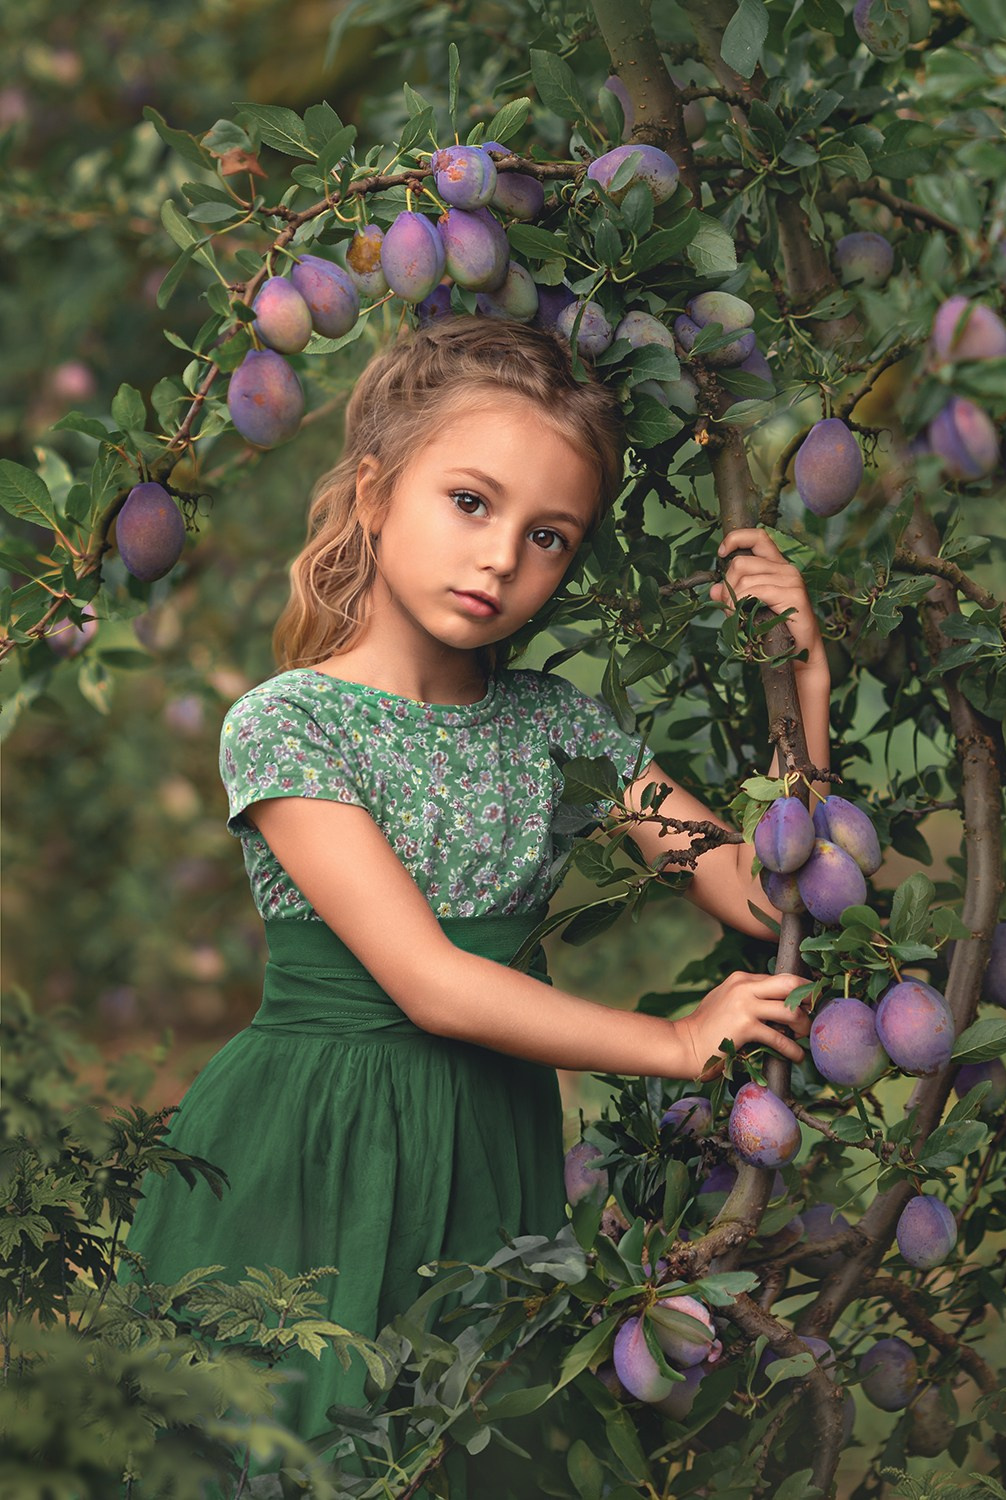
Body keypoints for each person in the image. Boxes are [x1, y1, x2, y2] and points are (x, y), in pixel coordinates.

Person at [120, 314, 831, 1477]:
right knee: (296, 1447)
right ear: (373, 494)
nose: (502, 557)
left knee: (461, 1442)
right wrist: (676, 1041)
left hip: (484, 1154)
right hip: (308, 1148)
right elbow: (430, 983)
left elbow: (764, 896)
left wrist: (803, 667)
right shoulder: (289, 723)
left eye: (548, 535)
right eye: (470, 503)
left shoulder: (561, 727)